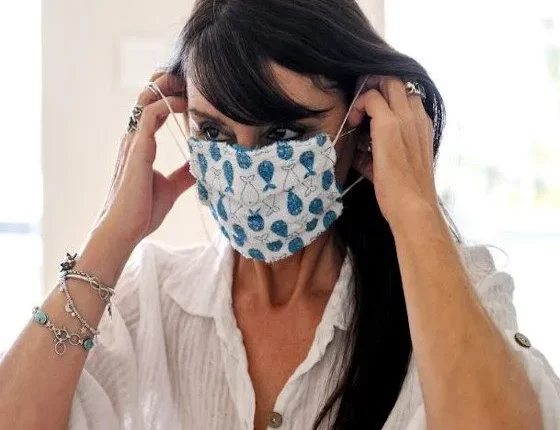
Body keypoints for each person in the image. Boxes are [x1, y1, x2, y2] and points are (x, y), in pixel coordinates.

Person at [1, 0, 559, 429]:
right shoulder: (148, 299)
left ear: (362, 124)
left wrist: (414, 209)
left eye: (286, 134)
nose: (246, 168)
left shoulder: (455, 297)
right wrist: (112, 235)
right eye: (215, 131)